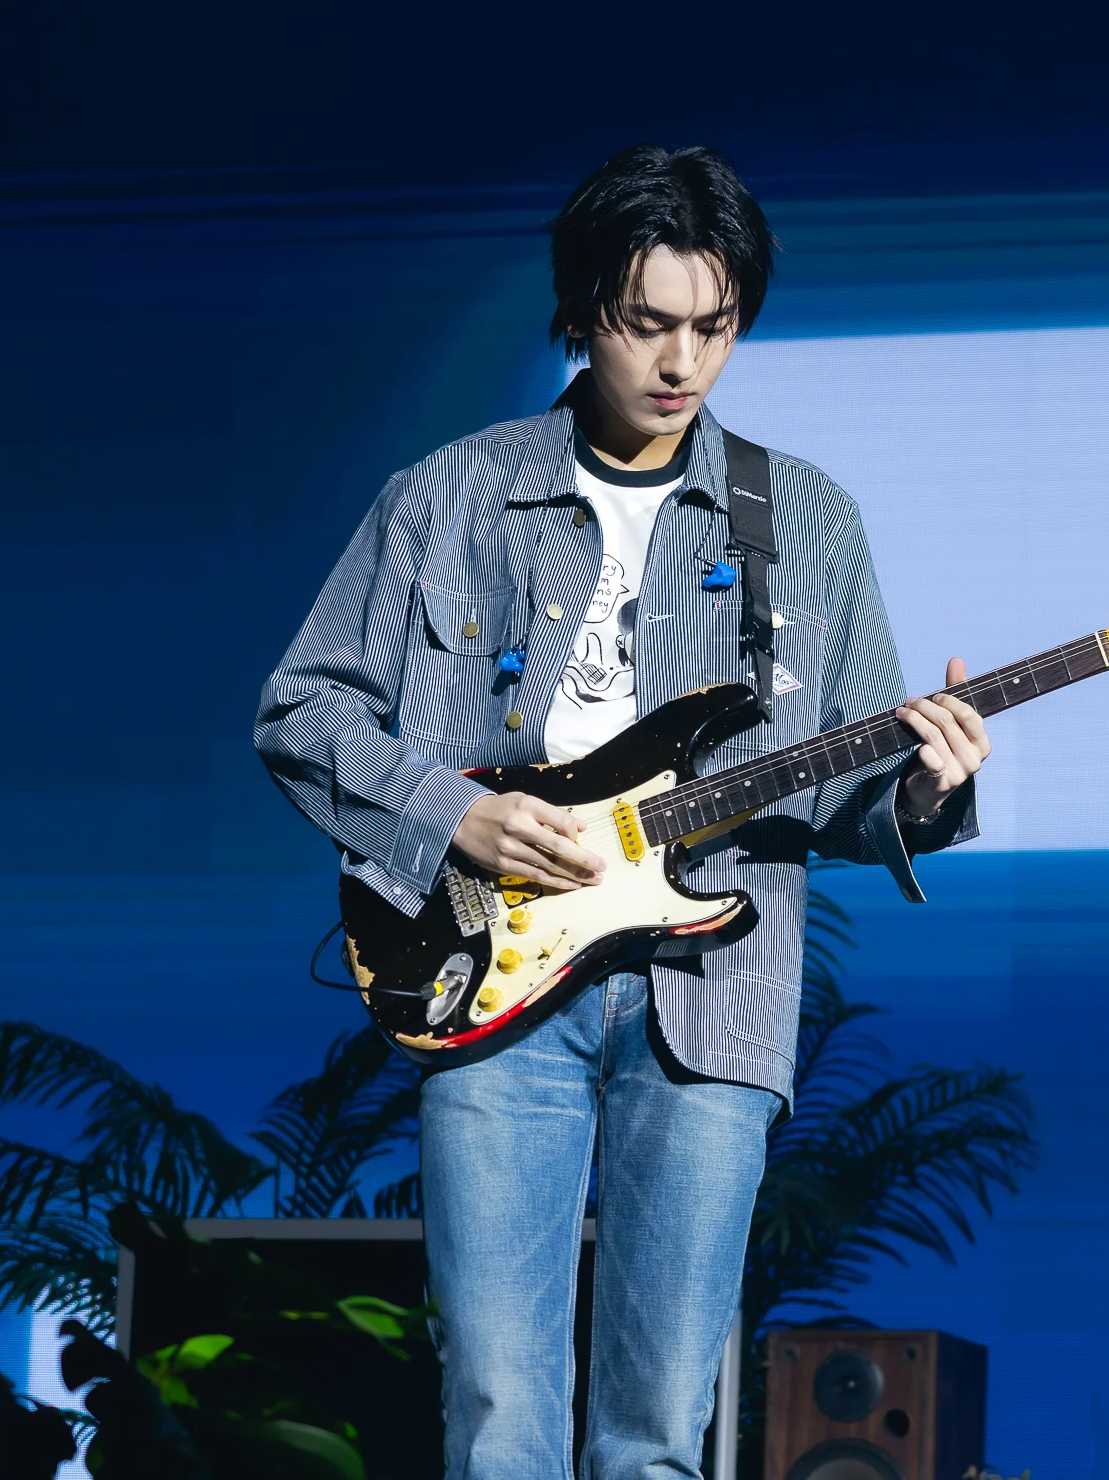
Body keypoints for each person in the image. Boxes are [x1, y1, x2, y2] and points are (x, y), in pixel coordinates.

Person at [255, 143, 991, 1480]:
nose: (682, 362)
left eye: (716, 327)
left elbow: (841, 789)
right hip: (489, 968)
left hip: (716, 991)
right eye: (648, 323)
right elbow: (302, 712)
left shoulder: (806, 520)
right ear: (580, 307)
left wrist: (926, 788)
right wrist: (452, 816)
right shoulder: (448, 497)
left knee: (659, 1434)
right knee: (497, 1415)